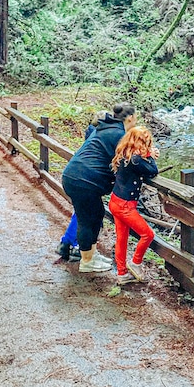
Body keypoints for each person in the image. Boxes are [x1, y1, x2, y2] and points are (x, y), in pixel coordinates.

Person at [62, 103, 137, 273]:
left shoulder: (106, 128)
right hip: (83, 180)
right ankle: (87, 262)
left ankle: (90, 254)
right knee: (87, 220)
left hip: (76, 176)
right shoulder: (119, 134)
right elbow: (130, 161)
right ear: (131, 118)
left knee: (95, 216)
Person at [109, 126, 159, 285]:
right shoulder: (136, 159)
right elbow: (152, 170)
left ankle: (122, 273)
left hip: (115, 201)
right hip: (125, 206)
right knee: (148, 234)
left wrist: (148, 154)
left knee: (122, 238)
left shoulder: (125, 153)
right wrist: (150, 156)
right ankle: (135, 263)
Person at [57, 111, 108, 262]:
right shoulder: (99, 135)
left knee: (80, 213)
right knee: (85, 216)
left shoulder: (91, 132)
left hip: (80, 177)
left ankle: (66, 243)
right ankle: (79, 249)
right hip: (88, 180)